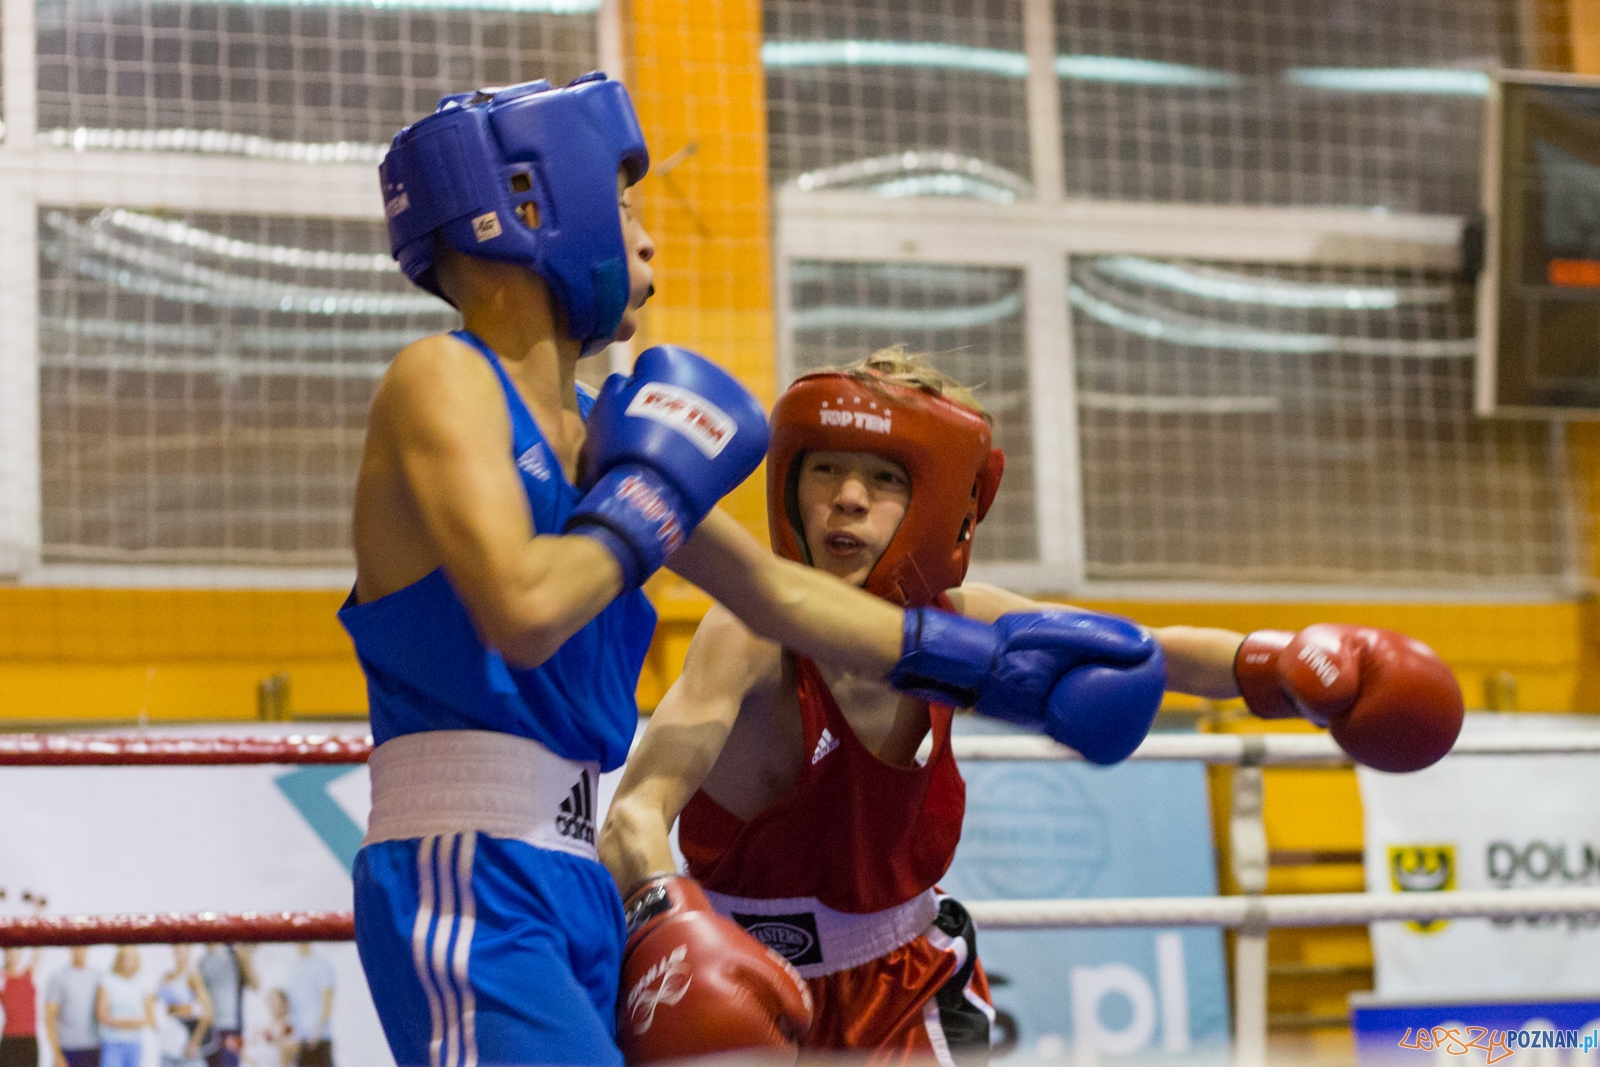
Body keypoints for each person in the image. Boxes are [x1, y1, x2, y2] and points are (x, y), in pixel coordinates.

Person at [345, 73, 1171, 1067]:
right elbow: (526, 607)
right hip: (466, 863)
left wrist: (982, 664)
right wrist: (651, 496)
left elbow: (777, 594)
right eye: (623, 203)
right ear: (530, 204)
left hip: (569, 869)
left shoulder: (605, 431)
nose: (645, 238)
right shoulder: (442, 377)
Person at [599, 351, 1467, 1062]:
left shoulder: (963, 621)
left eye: (883, 477)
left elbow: (1141, 650)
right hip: (743, 979)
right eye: (826, 468)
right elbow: (633, 811)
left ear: (944, 506)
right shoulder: (750, 632)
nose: (848, 498)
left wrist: (1279, 667)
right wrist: (668, 922)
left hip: (908, 985)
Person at [197, 944, 257, 1067]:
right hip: (210, 1028)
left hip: (231, 1026)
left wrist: (244, 959)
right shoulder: (202, 961)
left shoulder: (233, 954)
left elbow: (255, 984)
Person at [44, 946, 102, 1067]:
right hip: (67, 1048)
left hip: (93, 1047)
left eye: (83, 946)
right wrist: (57, 1054)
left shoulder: (98, 976)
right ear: (70, 948)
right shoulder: (58, 977)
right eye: (76, 946)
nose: (80, 950)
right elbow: (49, 1019)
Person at [97, 947, 155, 1067]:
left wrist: (117, 1022)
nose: (127, 961)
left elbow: (150, 1018)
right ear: (119, 959)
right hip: (112, 1042)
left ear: (136, 959)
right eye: (124, 957)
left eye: (131, 957)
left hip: (134, 1043)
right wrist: (132, 1023)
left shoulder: (142, 982)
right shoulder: (108, 980)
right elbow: (101, 1015)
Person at [157, 945, 214, 1067]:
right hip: (167, 1039)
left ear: (189, 950)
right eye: (176, 949)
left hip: (185, 1039)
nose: (179, 952)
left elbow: (208, 1013)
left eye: (182, 949)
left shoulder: (192, 977)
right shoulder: (166, 976)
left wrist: (195, 1042)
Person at [283, 947, 333, 1067]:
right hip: (300, 1039)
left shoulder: (322, 964)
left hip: (319, 1038)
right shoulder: (293, 967)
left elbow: (327, 999)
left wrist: (318, 1030)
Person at [0, 946, 41, 1067]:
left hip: (29, 1039)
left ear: (21, 952)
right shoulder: (2, 978)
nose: (11, 954)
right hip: (10, 1040)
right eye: (8, 951)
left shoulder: (29, 974)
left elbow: (39, 951)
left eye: (15, 950)